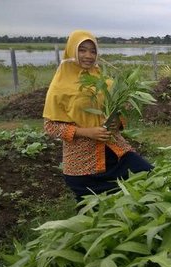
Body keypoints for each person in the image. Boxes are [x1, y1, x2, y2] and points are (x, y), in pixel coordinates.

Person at [43, 30, 153, 204]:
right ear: (72, 51)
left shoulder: (105, 82)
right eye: (82, 50)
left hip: (116, 151)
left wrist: (118, 122)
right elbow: (50, 126)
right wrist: (86, 132)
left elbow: (117, 110)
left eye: (93, 51)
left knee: (150, 175)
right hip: (83, 164)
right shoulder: (59, 87)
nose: (88, 56)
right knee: (94, 211)